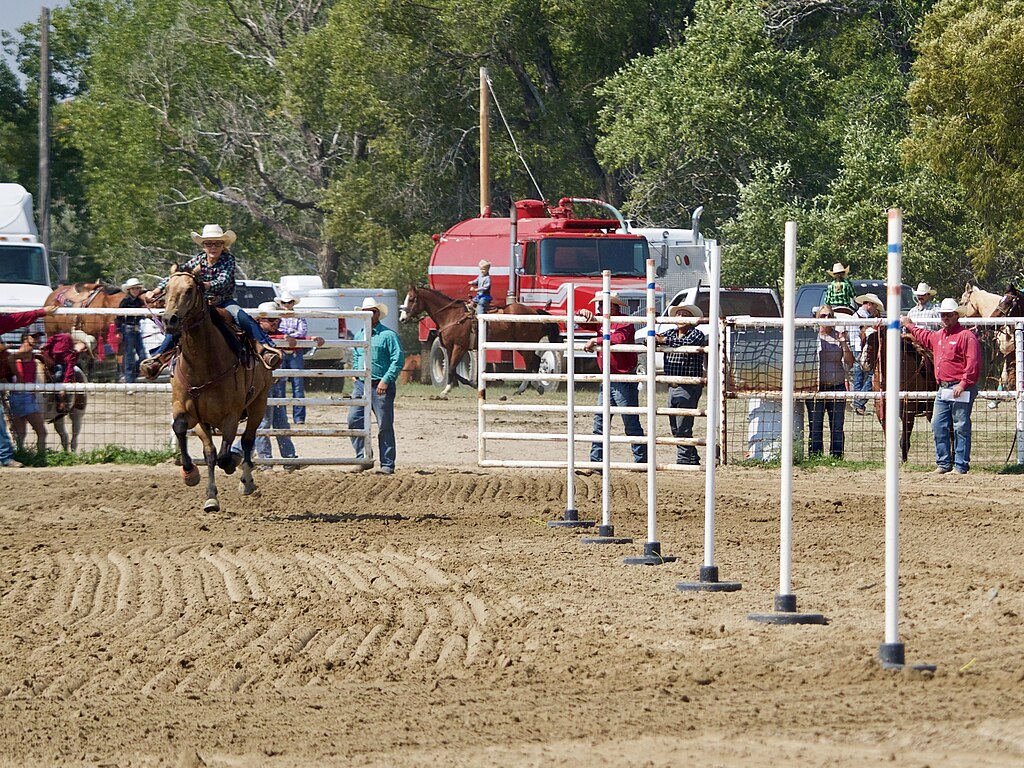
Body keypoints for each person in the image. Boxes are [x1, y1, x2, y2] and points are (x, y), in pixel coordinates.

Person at [139, 224, 281, 379]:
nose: (213, 247)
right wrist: (157, 290)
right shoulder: (197, 260)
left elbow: (224, 280)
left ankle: (264, 347)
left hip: (223, 302)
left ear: (223, 245)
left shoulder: (228, 260)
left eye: (217, 243)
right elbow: (177, 277)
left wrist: (205, 285)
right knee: (179, 324)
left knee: (241, 316)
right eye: (209, 244)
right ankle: (159, 357)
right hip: (202, 304)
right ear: (204, 246)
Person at [901, 298, 982, 474]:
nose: (945, 318)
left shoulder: (966, 336)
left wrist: (963, 383)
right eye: (943, 315)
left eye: (948, 315)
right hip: (944, 388)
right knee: (938, 424)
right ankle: (944, 463)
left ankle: (959, 465)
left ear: (956, 316)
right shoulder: (939, 336)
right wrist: (909, 325)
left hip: (960, 387)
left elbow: (973, 363)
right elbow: (923, 336)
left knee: (960, 425)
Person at [576, 293, 646, 470]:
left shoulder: (624, 321)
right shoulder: (602, 320)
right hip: (610, 377)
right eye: (598, 304)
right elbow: (581, 322)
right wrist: (581, 312)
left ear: (613, 306)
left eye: (602, 304)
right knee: (601, 421)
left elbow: (619, 339)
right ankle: (597, 462)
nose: (599, 307)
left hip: (622, 377)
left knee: (629, 422)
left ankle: (641, 461)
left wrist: (596, 339)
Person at [348, 297, 404, 474]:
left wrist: (386, 380)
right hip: (362, 384)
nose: (368, 314)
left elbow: (397, 360)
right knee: (354, 420)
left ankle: (387, 463)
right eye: (365, 311)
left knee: (384, 424)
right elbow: (356, 356)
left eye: (371, 311)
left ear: (377, 313)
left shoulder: (388, 335)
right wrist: (356, 373)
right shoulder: (359, 335)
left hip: (380, 385)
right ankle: (363, 457)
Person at [0, 306, 57, 467]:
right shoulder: (22, 353)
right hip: (22, 395)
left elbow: (16, 319)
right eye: (34, 336)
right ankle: (6, 457)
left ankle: (6, 457)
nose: (37, 339)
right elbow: (16, 319)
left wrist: (41, 312)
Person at [657, 303, 705, 466]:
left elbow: (687, 342)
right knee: (676, 426)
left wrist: (662, 340)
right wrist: (656, 340)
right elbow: (653, 340)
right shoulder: (670, 333)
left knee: (683, 425)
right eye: (678, 315)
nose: (681, 318)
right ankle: (691, 457)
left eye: (685, 315)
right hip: (673, 384)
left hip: (689, 386)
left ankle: (684, 459)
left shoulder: (697, 334)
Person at [807, 304, 855, 458]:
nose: (826, 319)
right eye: (823, 316)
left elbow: (850, 362)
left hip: (837, 387)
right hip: (816, 388)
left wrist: (843, 342)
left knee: (837, 426)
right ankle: (815, 456)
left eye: (829, 316)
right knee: (815, 426)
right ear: (817, 318)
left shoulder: (839, 336)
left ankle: (837, 456)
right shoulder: (812, 337)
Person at [9, 333, 48, 455]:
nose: (37, 339)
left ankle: (20, 455)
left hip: (16, 395)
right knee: (42, 432)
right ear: (26, 338)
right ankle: (41, 457)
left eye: (38, 337)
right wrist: (20, 377)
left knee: (21, 433)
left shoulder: (28, 351)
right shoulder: (27, 350)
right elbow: (11, 358)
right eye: (33, 337)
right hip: (25, 395)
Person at [275, 292, 309, 425]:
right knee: (280, 385)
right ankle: (281, 416)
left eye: (289, 302)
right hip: (283, 352)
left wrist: (287, 337)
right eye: (284, 303)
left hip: (295, 352)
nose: (287, 305)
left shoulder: (298, 316)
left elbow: (302, 331)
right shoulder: (278, 317)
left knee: (298, 385)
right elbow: (278, 331)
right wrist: (289, 337)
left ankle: (298, 417)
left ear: (293, 303)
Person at [850, 293, 883, 415]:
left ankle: (858, 404)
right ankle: (860, 402)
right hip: (863, 348)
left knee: (858, 377)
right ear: (869, 304)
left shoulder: (855, 316)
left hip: (857, 347)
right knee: (872, 375)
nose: (875, 310)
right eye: (875, 306)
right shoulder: (866, 318)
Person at [117, 277, 147, 383]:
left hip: (137, 329)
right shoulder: (125, 301)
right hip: (128, 329)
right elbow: (118, 317)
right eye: (134, 288)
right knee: (129, 355)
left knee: (143, 355)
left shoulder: (139, 302)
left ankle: (131, 374)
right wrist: (118, 330)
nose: (136, 290)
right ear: (129, 290)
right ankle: (130, 381)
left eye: (137, 288)